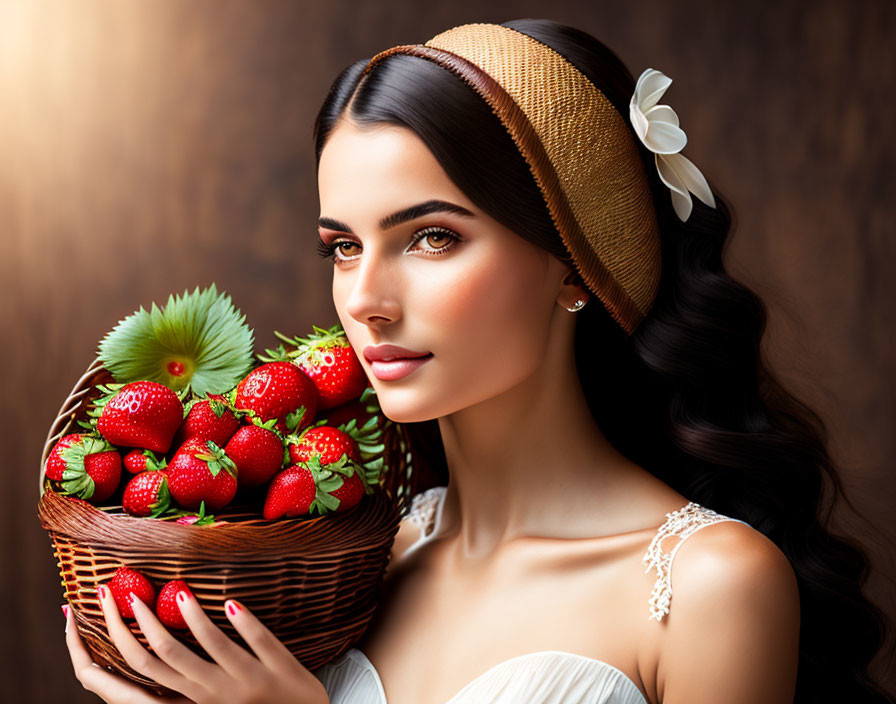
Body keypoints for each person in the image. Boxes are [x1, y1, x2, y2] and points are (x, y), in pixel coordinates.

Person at [63, 18, 893, 704]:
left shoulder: (711, 585)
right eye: (343, 248)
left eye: (432, 237)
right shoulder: (347, 558)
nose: (367, 299)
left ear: (574, 262)